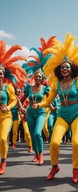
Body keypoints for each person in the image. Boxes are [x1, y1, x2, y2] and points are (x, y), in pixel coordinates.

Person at [33, 33, 78, 183]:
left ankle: (75, 170)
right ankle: (54, 167)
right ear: (60, 70)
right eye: (63, 67)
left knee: (77, 143)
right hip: (63, 114)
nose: (65, 69)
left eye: (67, 67)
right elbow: (49, 100)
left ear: (71, 69)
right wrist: (38, 104)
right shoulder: (57, 84)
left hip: (77, 113)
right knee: (54, 142)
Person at [0, 40, 26, 175]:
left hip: (6, 115)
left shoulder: (8, 87)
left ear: (4, 75)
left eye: (0, 73)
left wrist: (8, 107)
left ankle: (3, 161)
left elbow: (15, 100)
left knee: (4, 138)